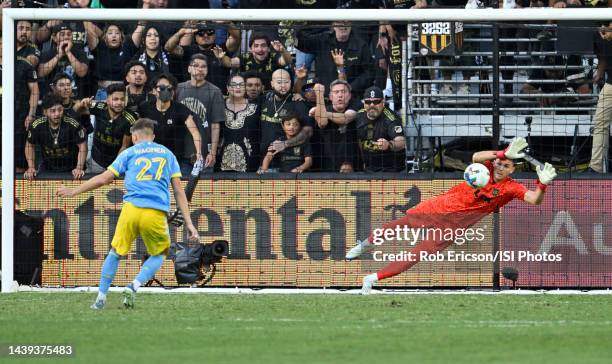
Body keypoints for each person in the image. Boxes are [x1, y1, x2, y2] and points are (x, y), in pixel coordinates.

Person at [345, 137, 558, 294]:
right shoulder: (485, 168)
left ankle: (372, 278)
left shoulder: (511, 187)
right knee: (402, 225)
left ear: (513, 169)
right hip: (441, 206)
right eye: (499, 163)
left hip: (455, 226)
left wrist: (543, 183)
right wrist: (503, 153)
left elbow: (534, 199)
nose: (500, 167)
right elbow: (476, 156)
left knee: (417, 254)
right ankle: (365, 245)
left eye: (506, 165)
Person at [56, 118, 199, 309]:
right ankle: (133, 286)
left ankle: (100, 298)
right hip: (155, 212)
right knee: (160, 253)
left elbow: (104, 179)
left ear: (134, 137)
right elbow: (179, 191)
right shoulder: (167, 154)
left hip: (131, 209)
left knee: (115, 253)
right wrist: (189, 223)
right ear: (153, 137)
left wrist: (74, 191)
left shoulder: (129, 152)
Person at [137, 73, 203, 173]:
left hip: (174, 160)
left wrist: (198, 153)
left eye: (169, 88)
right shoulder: (144, 108)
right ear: (154, 91)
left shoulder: (181, 109)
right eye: (162, 88)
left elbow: (195, 132)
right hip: (150, 159)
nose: (166, 91)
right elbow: (136, 131)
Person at [176, 54, 226, 171]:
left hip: (204, 156)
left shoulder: (215, 91)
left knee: (205, 190)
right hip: (180, 153)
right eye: (196, 66)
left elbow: (215, 125)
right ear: (189, 68)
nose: (200, 69)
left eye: (204, 66)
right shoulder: (178, 89)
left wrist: (213, 153)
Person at [74, 84, 137, 173]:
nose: (119, 102)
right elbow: (76, 110)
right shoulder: (100, 107)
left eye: (122, 99)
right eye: (115, 99)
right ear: (107, 100)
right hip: (96, 161)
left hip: (116, 163)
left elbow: (124, 146)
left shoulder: (130, 118)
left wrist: (114, 168)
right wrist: (82, 104)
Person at [25, 94, 87, 180]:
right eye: (53, 111)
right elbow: (29, 145)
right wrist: (31, 167)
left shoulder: (73, 124)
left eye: (60, 110)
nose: (57, 114)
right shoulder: (37, 125)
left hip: (71, 169)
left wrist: (79, 168)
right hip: (48, 168)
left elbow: (82, 146)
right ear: (45, 112)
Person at [355, 86, 406, 172]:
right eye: (368, 102)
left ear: (383, 102)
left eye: (376, 102)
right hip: (367, 169)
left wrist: (389, 145)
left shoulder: (391, 118)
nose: (372, 105)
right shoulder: (359, 116)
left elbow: (401, 141)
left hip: (390, 170)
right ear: (364, 103)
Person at [220, 74, 261, 172]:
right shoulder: (219, 105)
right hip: (221, 162)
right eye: (234, 84)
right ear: (228, 88)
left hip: (251, 163)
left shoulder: (257, 107)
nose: (238, 87)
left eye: (241, 84)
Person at [589, 22, 612, 173]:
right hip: (611, 84)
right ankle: (596, 167)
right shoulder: (597, 34)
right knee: (599, 123)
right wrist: (599, 74)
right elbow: (603, 56)